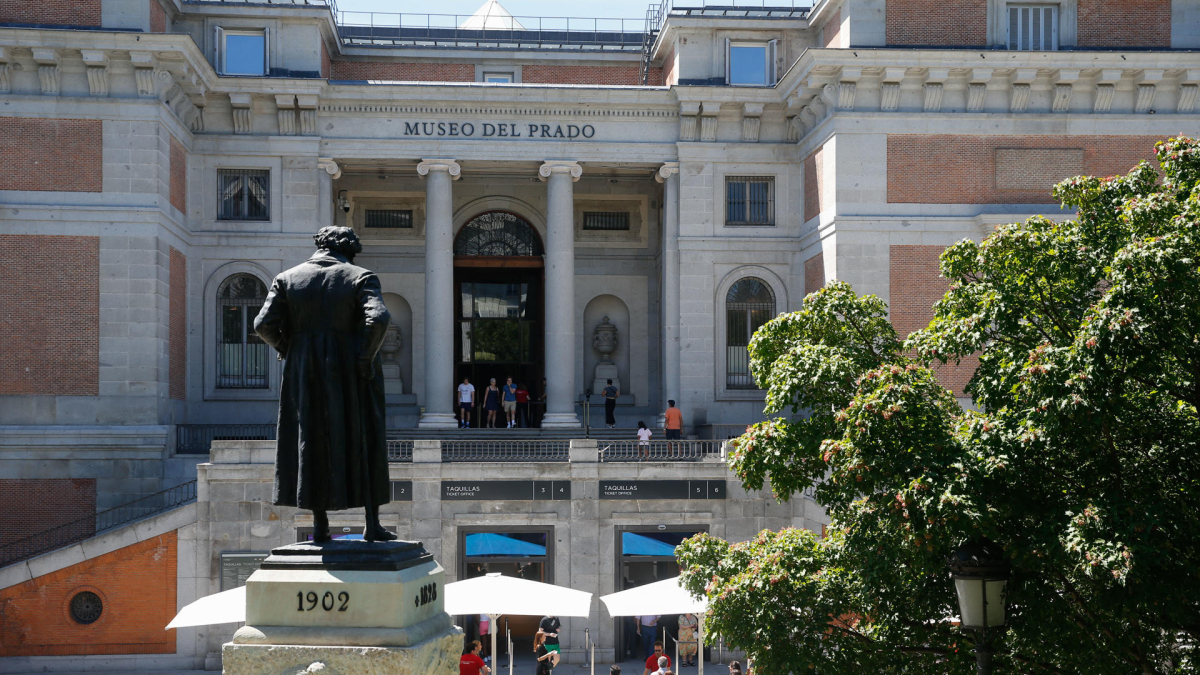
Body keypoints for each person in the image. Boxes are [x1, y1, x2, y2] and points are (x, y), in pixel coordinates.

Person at [253, 226, 393, 542]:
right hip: (351, 369)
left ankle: (319, 527)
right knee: (365, 435)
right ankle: (372, 524)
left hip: (304, 370)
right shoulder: (360, 277)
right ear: (349, 250)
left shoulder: (287, 279)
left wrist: (289, 348)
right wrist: (363, 359)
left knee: (309, 439)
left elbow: (263, 324)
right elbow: (380, 318)